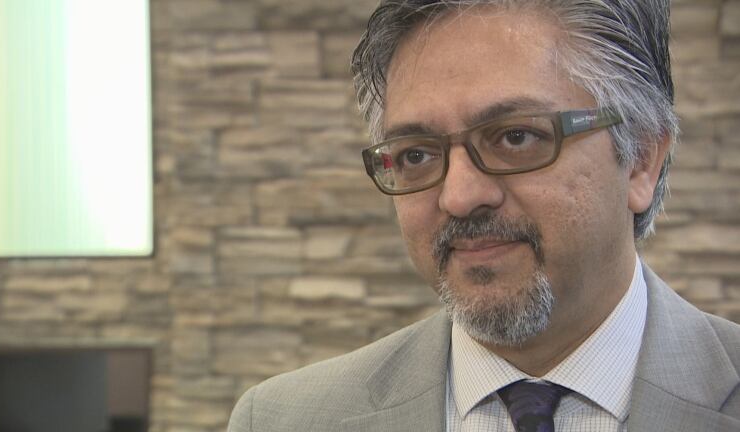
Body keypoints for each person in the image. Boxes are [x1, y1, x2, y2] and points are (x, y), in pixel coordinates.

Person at [228, 1, 740, 430]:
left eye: (516, 137)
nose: (459, 195)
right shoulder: (283, 419)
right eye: (417, 154)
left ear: (641, 160)